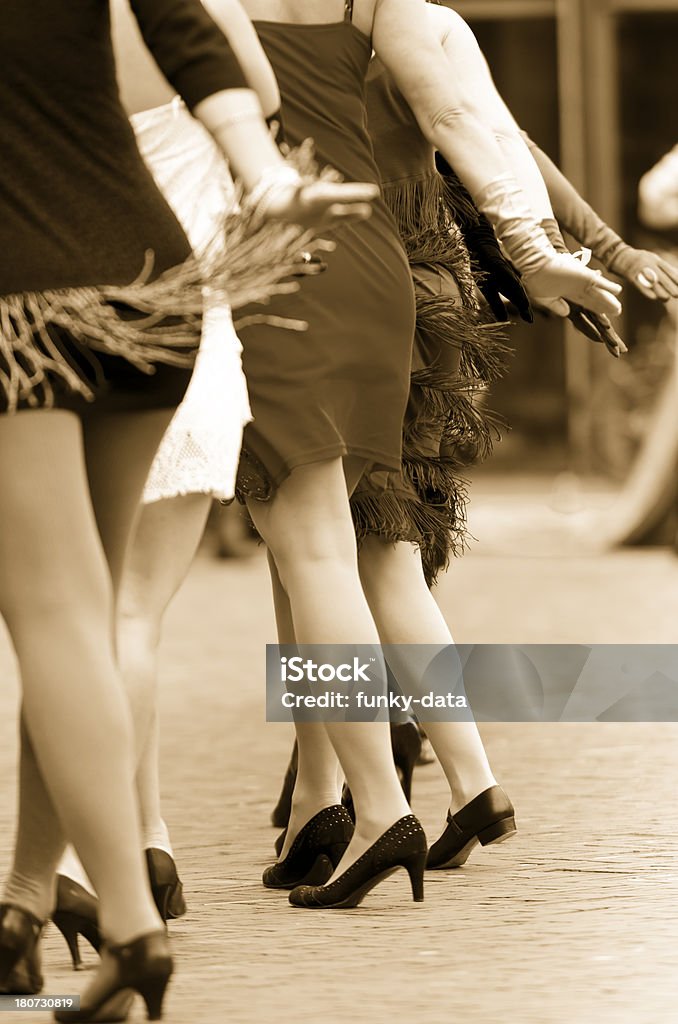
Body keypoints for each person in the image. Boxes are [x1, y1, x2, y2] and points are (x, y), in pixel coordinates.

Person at [0, 1, 377, 1018]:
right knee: (86, 616)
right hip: (158, 291)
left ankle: (130, 928)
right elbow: (195, 31)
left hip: (22, 303)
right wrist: (262, 174)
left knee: (63, 618)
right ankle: (28, 901)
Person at [236, 0, 622, 911]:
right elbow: (474, 122)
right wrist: (535, 252)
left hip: (286, 266)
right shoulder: (383, 5)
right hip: (382, 278)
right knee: (336, 555)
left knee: (324, 556)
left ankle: (368, 806)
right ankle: (337, 804)